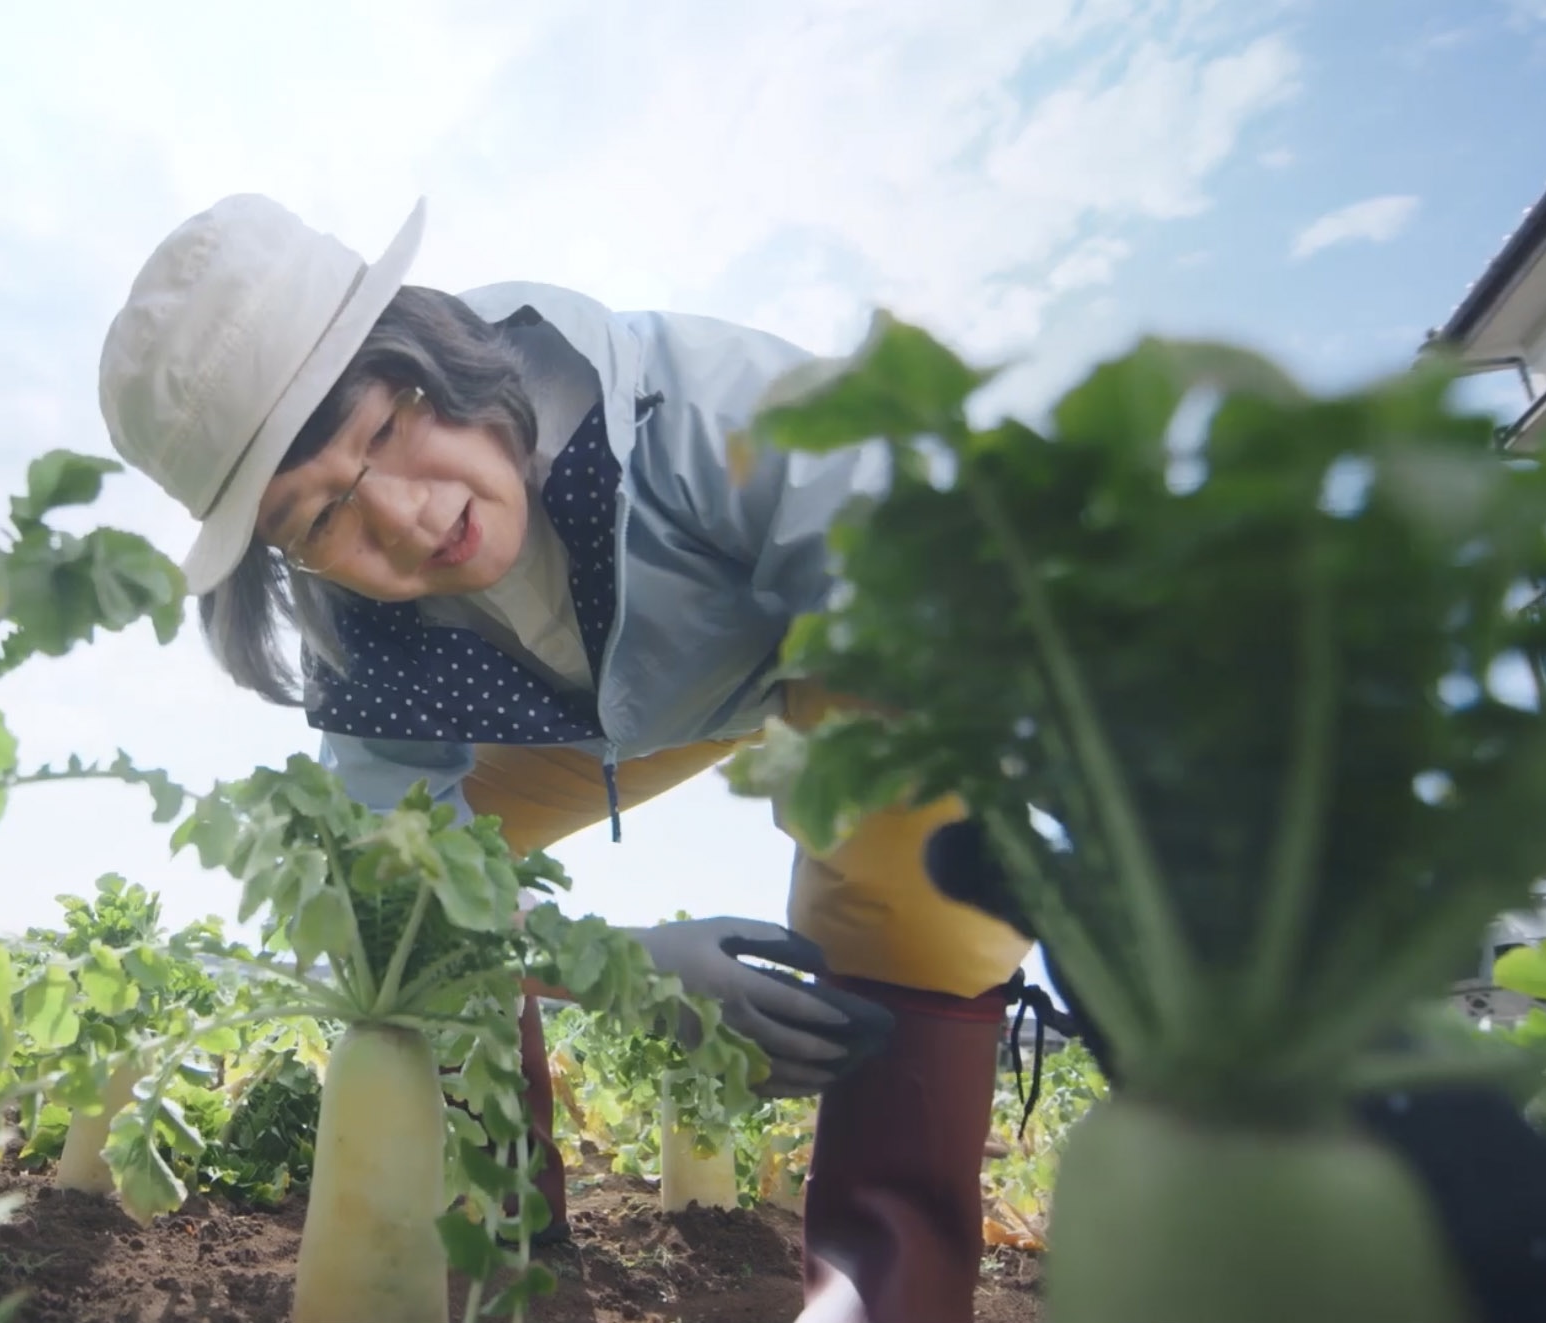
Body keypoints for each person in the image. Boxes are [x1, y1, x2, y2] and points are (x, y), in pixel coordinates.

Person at [97, 193, 1042, 1323]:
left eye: (387, 432)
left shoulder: (702, 407)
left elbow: (947, 604)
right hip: (601, 725)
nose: (402, 519)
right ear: (280, 560)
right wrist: (616, 964)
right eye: (319, 519)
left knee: (911, 800)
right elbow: (412, 899)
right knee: (409, 929)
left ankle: (884, 1293)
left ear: (427, 358)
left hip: (816, 638)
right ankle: (514, 1271)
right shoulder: (356, 633)